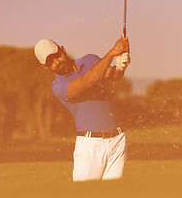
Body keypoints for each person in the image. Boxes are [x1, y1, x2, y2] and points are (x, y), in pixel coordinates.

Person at [34, 36, 130, 181]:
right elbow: (88, 81)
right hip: (90, 146)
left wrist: (121, 65)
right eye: (50, 62)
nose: (57, 62)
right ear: (46, 67)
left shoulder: (90, 60)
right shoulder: (59, 86)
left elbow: (114, 75)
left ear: (62, 49)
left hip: (118, 140)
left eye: (57, 55)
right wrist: (112, 53)